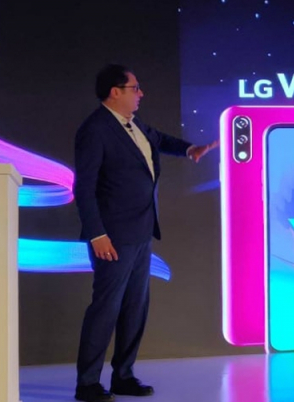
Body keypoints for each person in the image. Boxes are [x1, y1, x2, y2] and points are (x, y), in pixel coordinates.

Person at [73, 64, 217, 402]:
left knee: (135, 307)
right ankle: (87, 384)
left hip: (141, 231)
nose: (141, 93)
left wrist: (189, 149)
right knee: (106, 308)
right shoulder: (95, 129)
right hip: (113, 236)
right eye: (134, 88)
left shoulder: (132, 123)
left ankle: (123, 376)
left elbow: (158, 139)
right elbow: (84, 188)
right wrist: (97, 234)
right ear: (115, 92)